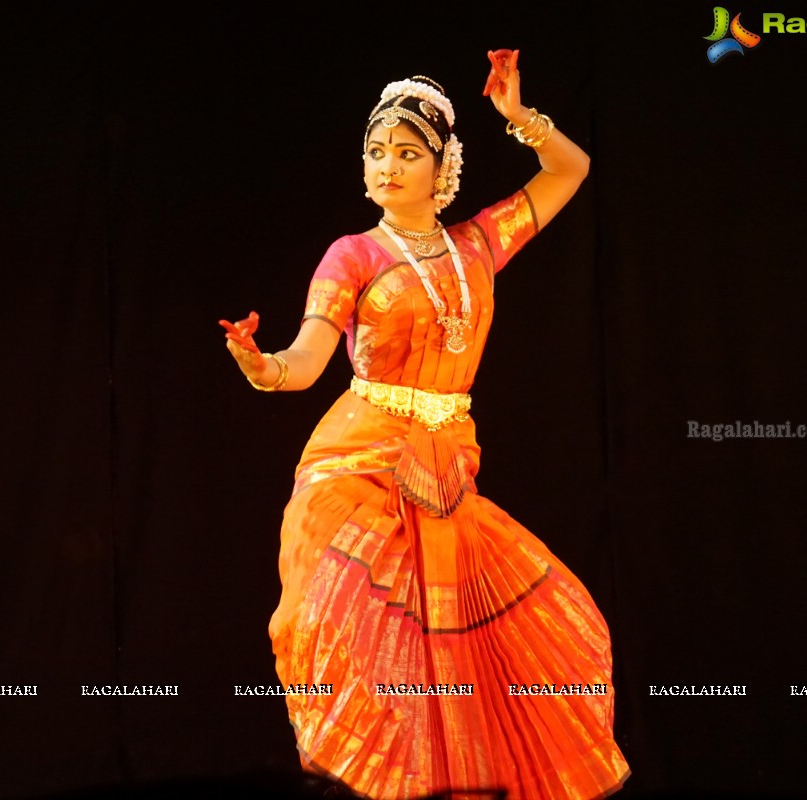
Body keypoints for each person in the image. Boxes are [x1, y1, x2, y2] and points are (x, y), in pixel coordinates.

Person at [219, 50, 630, 800]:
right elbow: (307, 361)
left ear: (443, 166)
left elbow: (570, 170)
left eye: (407, 153)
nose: (387, 166)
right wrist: (263, 366)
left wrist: (520, 120)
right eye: (376, 152)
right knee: (340, 624)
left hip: (445, 473)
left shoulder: (480, 243)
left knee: (508, 643)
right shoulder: (353, 256)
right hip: (360, 462)